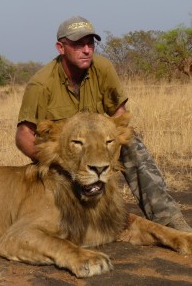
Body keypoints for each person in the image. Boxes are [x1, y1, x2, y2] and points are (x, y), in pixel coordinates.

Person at [15, 16, 192, 232]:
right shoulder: (41, 84)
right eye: (79, 44)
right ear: (61, 47)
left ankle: (167, 217)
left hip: (98, 148)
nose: (87, 50)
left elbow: (120, 117)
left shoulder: (103, 68)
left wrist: (110, 149)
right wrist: (59, 161)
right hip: (64, 156)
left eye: (90, 43)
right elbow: (24, 135)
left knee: (132, 143)